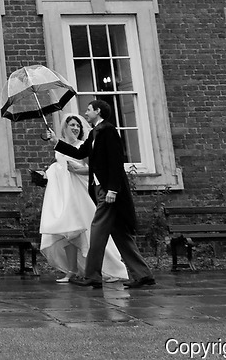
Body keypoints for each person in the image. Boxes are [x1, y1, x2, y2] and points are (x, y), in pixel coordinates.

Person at [43, 98, 156, 289]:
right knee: (120, 234)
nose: (85, 113)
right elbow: (80, 153)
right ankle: (143, 275)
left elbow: (116, 161)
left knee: (97, 231)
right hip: (99, 188)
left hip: (108, 191)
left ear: (98, 111)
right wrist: (56, 141)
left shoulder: (108, 131)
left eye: (89, 109)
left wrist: (113, 189)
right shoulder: (95, 133)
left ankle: (92, 276)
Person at [39, 113, 128, 283]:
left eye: (78, 125)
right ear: (64, 127)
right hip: (65, 195)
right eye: (72, 125)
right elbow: (58, 168)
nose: (75, 128)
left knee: (90, 231)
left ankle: (109, 269)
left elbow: (94, 168)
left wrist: (76, 170)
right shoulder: (60, 146)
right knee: (68, 233)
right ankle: (72, 270)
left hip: (81, 193)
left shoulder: (82, 146)